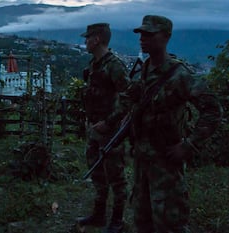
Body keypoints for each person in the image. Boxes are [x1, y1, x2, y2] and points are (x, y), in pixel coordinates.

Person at [128, 15, 222, 233]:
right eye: (141, 34)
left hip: (166, 162)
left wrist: (189, 145)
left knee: (170, 222)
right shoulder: (143, 70)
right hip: (142, 160)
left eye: (150, 34)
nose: (143, 38)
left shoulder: (180, 75)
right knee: (142, 220)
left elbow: (212, 110)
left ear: (166, 37)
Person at [76, 23, 130, 233]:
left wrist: (109, 121)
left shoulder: (114, 66)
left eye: (88, 38)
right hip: (95, 128)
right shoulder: (94, 65)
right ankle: (99, 215)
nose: (85, 41)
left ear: (97, 39)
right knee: (98, 174)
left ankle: (117, 220)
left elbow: (128, 98)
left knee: (116, 177)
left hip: (110, 130)